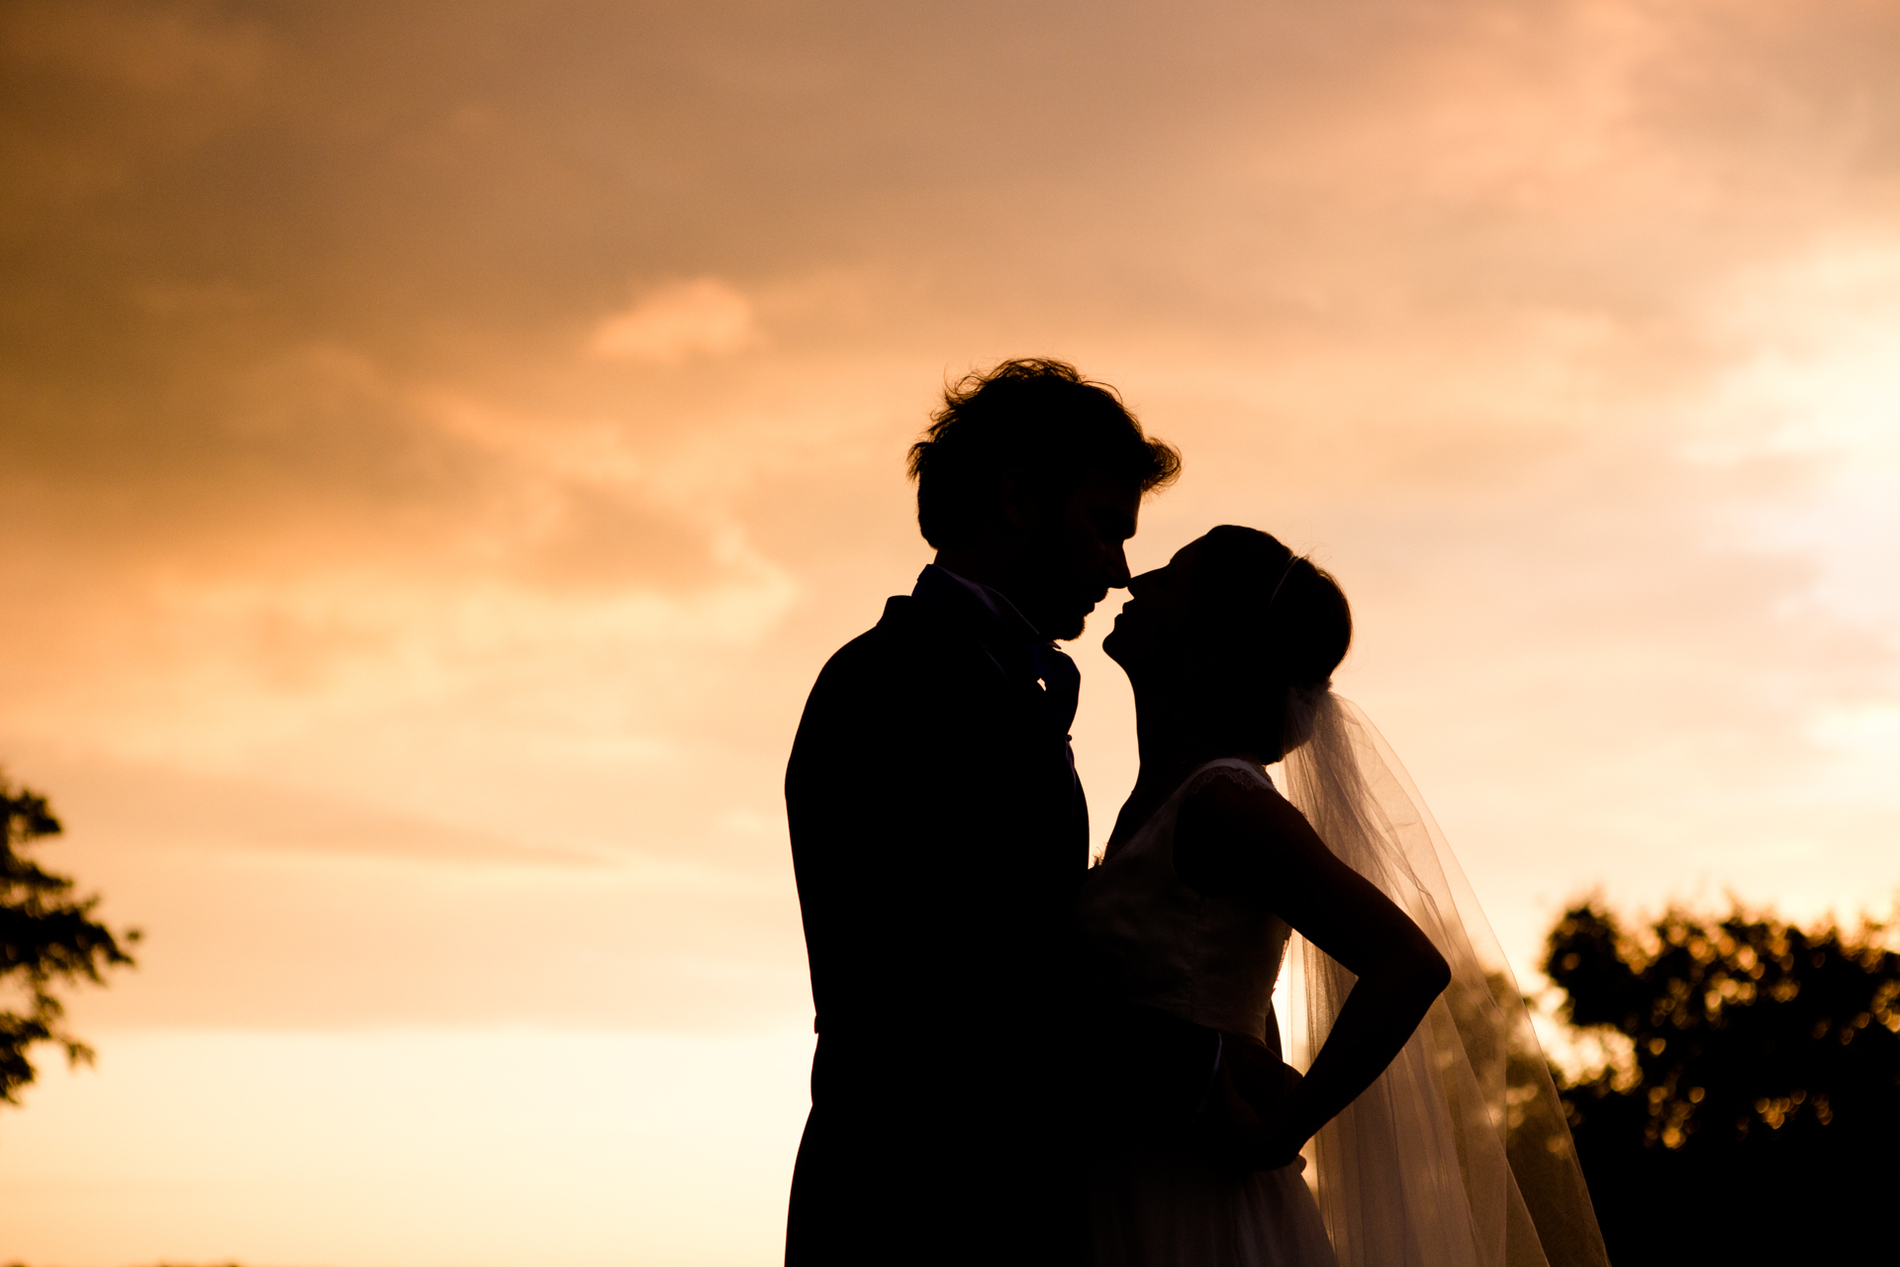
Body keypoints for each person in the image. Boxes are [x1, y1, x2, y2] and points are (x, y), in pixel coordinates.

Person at [1077, 526, 1611, 1267]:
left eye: (1174, 574)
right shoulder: (1170, 801)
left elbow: (1408, 962)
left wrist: (1283, 1128)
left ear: (1209, 650)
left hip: (1191, 1199)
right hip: (1123, 1178)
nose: (1140, 580)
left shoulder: (1226, 806)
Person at [782, 358, 1181, 1265]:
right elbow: (960, 974)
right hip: (913, 1204)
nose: (1121, 571)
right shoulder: (890, 681)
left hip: (1003, 1197)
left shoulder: (986, 678)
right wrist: (1196, 1070)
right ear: (1016, 499)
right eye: (1104, 525)